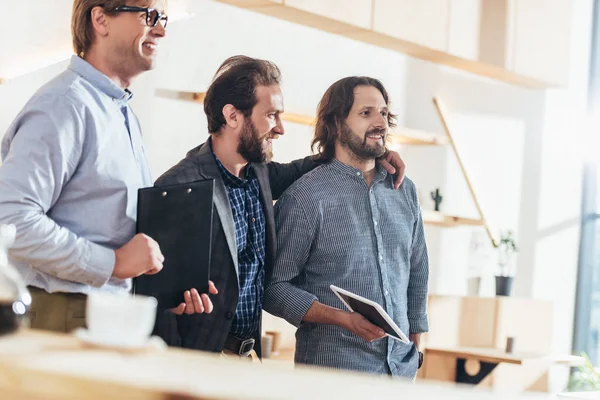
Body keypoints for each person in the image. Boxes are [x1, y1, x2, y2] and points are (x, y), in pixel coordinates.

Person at [153, 56, 407, 358]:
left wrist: (376, 150)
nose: (280, 129)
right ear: (233, 116)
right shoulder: (178, 185)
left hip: (246, 356)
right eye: (271, 115)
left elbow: (311, 165)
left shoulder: (260, 174)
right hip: (192, 359)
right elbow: (154, 296)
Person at [0, 0, 214, 333]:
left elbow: (114, 234)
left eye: (164, 19)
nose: (160, 29)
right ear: (101, 19)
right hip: (61, 314)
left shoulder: (121, 111)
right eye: (150, 16)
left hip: (107, 312)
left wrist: (163, 282)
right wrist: (111, 263)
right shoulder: (64, 105)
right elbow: (11, 220)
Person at [263, 76, 429, 378]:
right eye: (366, 113)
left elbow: (416, 271)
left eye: (383, 112)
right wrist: (341, 318)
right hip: (333, 375)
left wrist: (416, 343)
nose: (380, 122)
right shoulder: (305, 197)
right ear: (337, 124)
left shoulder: (404, 191)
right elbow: (274, 288)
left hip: (401, 373)